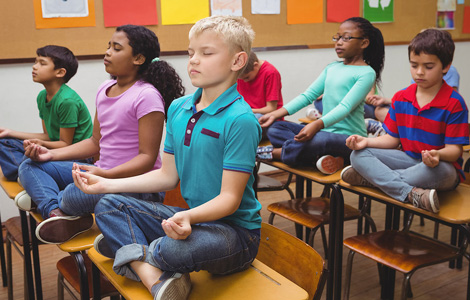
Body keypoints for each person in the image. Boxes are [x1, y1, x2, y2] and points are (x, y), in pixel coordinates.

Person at [72, 15, 262, 300]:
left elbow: (229, 200)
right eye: (191, 53)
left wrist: (187, 215)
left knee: (171, 248)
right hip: (192, 220)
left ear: (237, 62)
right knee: (109, 206)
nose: (194, 61)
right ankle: (153, 278)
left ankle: (126, 249)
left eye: (206, 53)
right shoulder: (179, 107)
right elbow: (167, 176)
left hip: (234, 233)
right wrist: (104, 184)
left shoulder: (241, 120)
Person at [16, 25, 185, 244]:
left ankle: (51, 205)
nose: (107, 52)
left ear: (139, 58)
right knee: (29, 165)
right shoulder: (105, 88)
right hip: (101, 174)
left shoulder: (147, 96)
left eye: (116, 48)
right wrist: (49, 155)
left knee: (70, 194)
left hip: (134, 186)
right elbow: (95, 142)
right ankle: (56, 214)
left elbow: (147, 159)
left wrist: (105, 175)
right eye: (108, 46)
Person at [342, 29, 469, 213]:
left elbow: (455, 151)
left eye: (428, 66)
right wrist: (366, 141)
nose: (419, 72)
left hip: (437, 167)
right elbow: (392, 139)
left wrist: (438, 155)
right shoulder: (401, 97)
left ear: (446, 66)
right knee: (358, 154)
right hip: (408, 160)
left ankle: (372, 179)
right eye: (414, 65)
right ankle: (410, 193)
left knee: (444, 171)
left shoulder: (455, 103)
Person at [258, 17, 385, 175]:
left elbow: (345, 107)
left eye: (346, 38)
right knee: (276, 128)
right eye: (337, 37)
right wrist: (275, 114)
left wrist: (317, 124)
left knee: (320, 140)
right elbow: (307, 95)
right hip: (323, 132)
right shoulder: (332, 67)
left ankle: (274, 153)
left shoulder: (366, 73)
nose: (338, 42)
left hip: (347, 138)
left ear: (364, 43)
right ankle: (327, 159)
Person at [0, 45, 93, 181]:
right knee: (5, 142)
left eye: (42, 63)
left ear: (60, 72)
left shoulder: (67, 101)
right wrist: (9, 132)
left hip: (77, 155)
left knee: (34, 156)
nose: (34, 66)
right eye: (36, 61)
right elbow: (48, 136)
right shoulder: (42, 96)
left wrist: (40, 144)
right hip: (57, 148)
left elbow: (65, 144)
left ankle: (26, 174)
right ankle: (23, 175)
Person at [237, 51, 283, 119]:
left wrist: (248, 111)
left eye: (247, 77)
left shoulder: (270, 73)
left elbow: (271, 108)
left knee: (248, 119)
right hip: (247, 113)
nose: (244, 81)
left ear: (256, 65)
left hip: (267, 117)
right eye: (241, 79)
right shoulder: (238, 72)